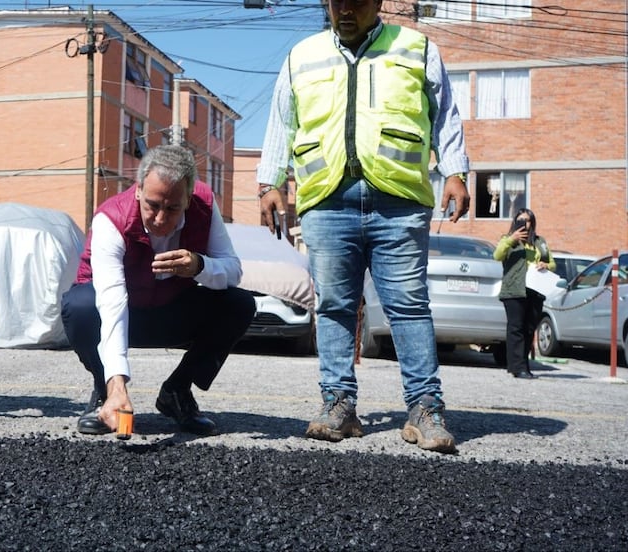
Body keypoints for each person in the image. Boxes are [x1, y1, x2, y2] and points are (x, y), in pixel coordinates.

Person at [257, 0, 470, 454]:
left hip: (399, 200)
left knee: (409, 305)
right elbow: (282, 119)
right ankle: (339, 405)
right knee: (334, 305)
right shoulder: (302, 55)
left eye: (356, 1)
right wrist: (270, 182)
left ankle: (425, 408)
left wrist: (455, 171)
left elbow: (443, 112)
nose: (345, 10)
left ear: (378, 3)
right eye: (336, 2)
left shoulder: (416, 47)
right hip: (326, 199)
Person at [61, 145, 255, 436]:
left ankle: (176, 392)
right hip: (118, 315)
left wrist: (199, 266)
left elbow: (233, 271)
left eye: (173, 208)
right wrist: (118, 383)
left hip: (171, 312)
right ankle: (106, 394)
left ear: (188, 198)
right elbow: (111, 302)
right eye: (152, 205)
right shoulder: (111, 220)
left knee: (239, 304)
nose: (161, 218)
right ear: (138, 190)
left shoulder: (205, 204)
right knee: (79, 305)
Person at [493, 208, 555, 379]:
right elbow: (497, 255)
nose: (524, 224)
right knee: (516, 328)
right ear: (515, 222)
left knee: (529, 329)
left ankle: (524, 365)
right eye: (520, 220)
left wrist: (546, 266)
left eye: (527, 220)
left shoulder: (540, 242)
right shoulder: (507, 240)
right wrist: (511, 240)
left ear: (532, 222)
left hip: (535, 290)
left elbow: (552, 263)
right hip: (514, 290)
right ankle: (516, 367)